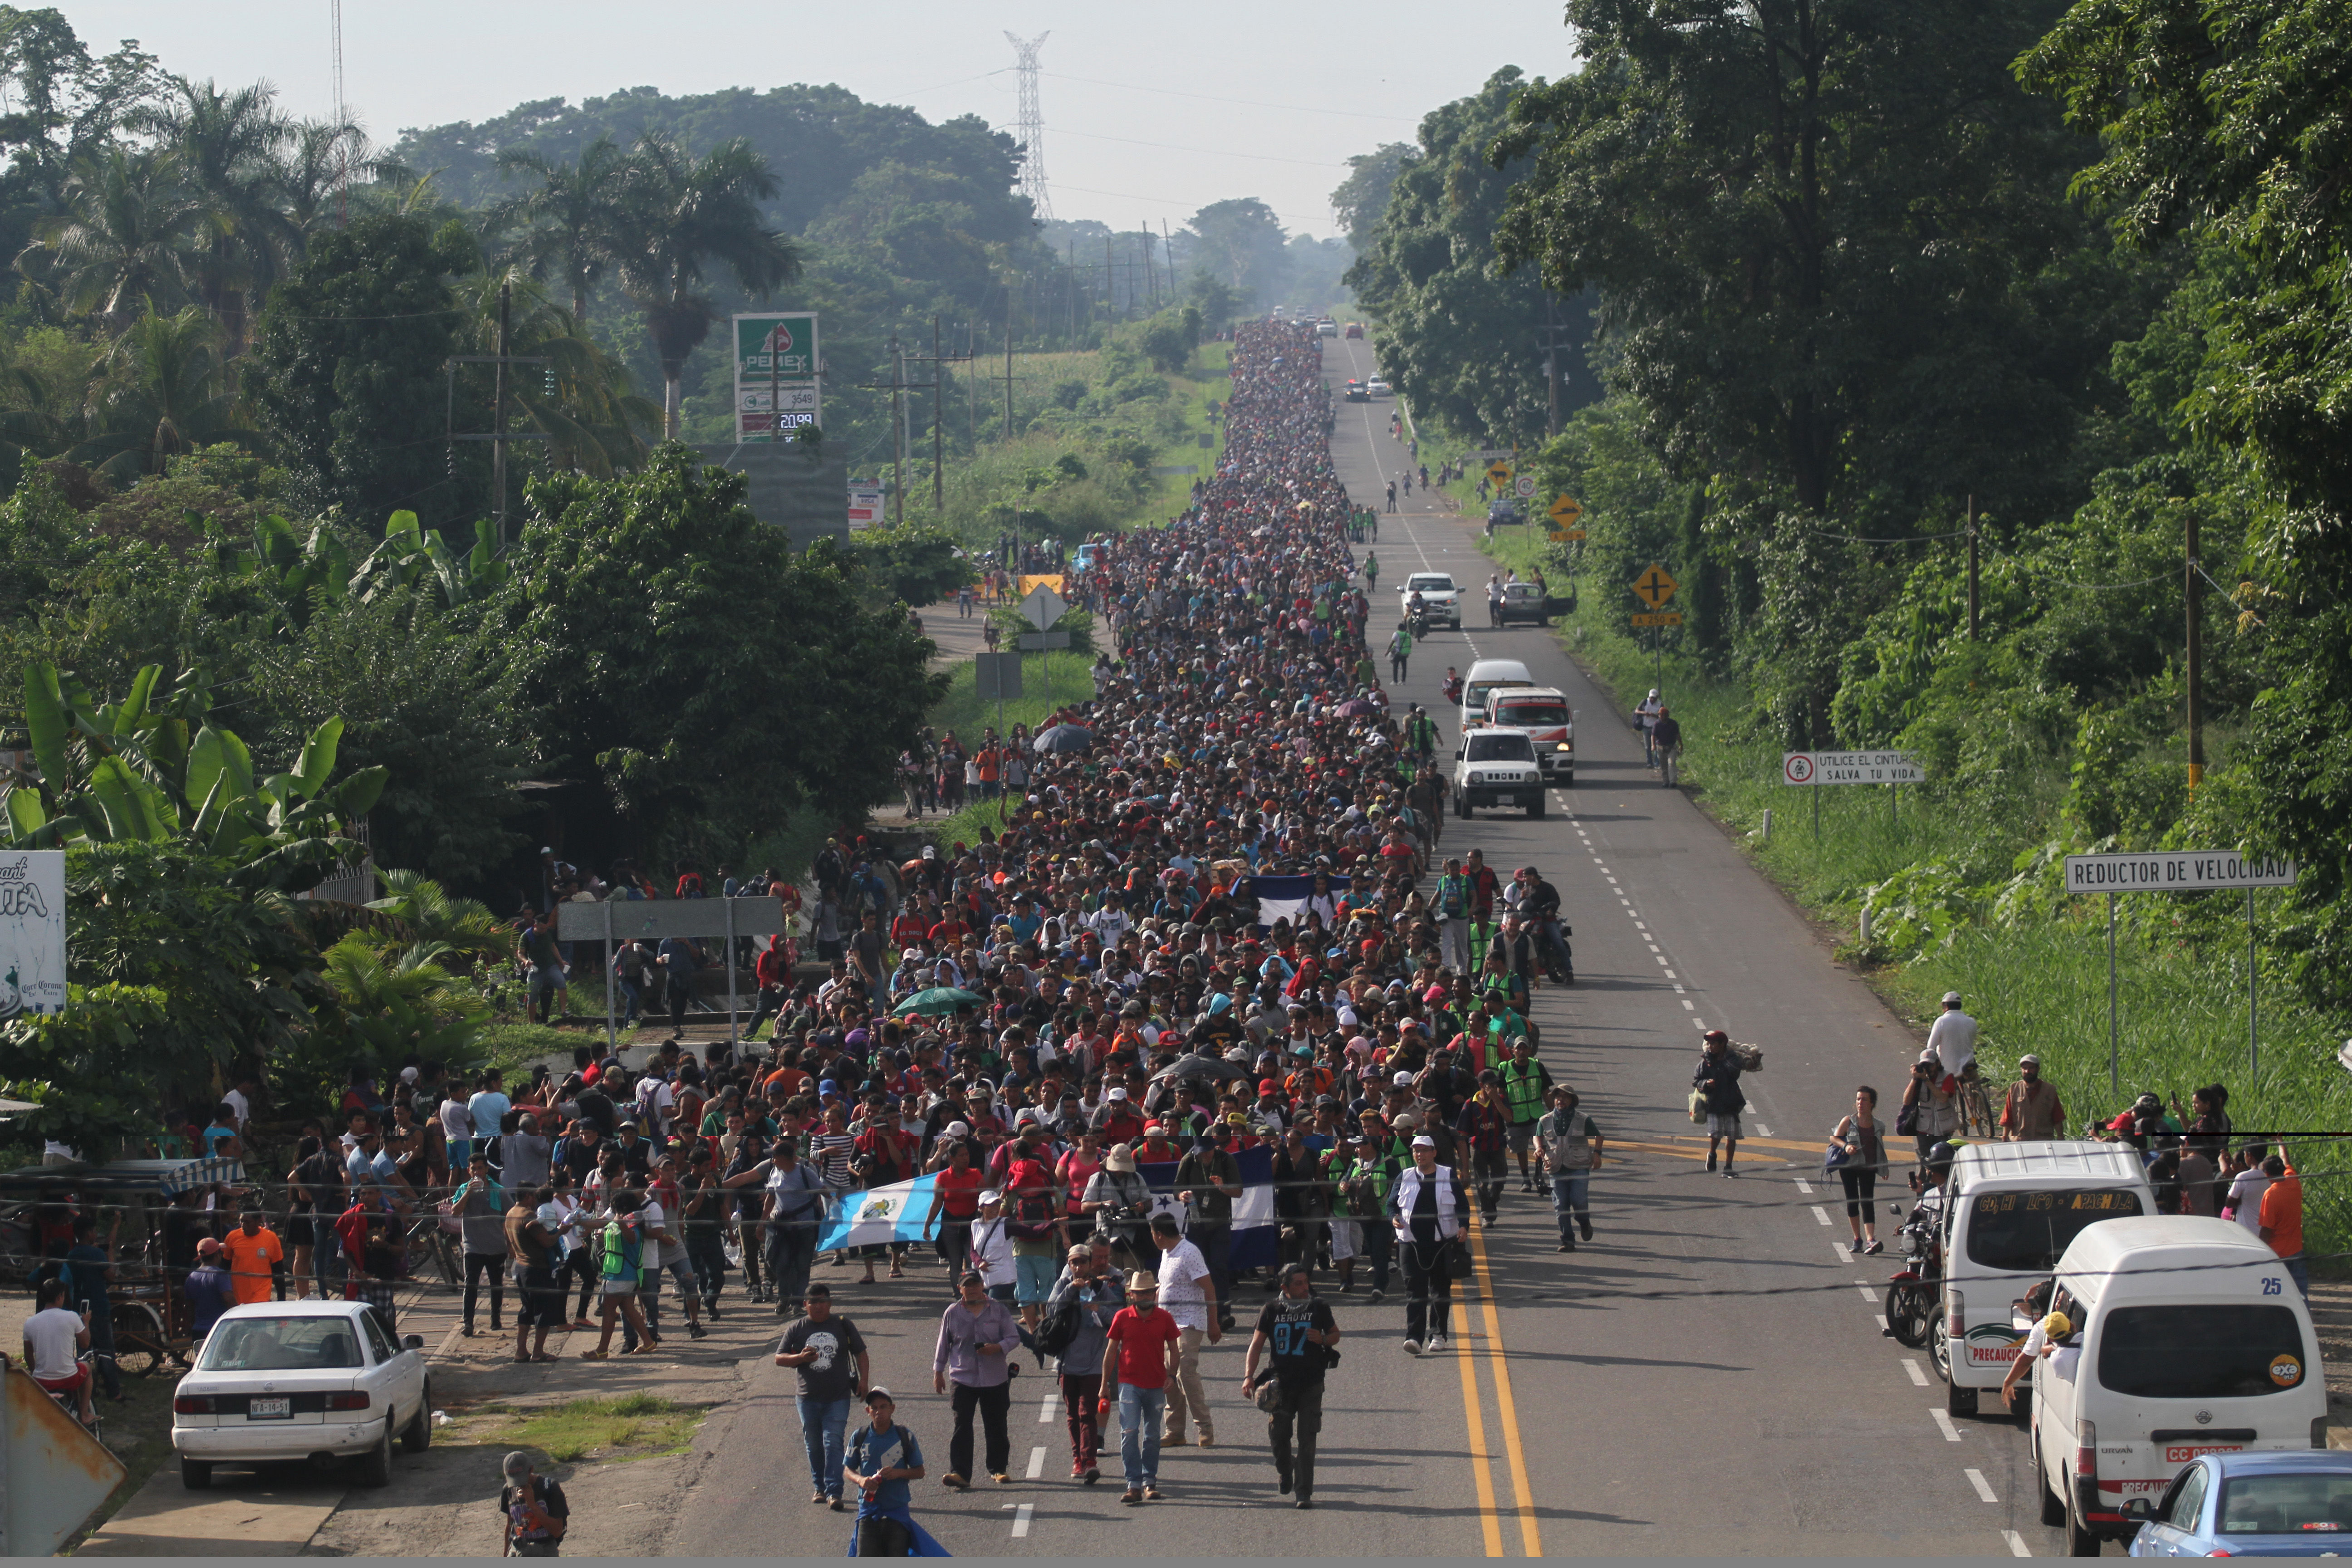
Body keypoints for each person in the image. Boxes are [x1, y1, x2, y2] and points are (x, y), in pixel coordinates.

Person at [1242, 1261, 1341, 1509]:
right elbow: (1256, 1344)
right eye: (1298, 1284)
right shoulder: (1271, 1309)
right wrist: (1248, 1376)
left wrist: (1324, 1339)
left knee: (1308, 1437)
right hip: (1281, 1385)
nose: (1305, 1287)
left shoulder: (1319, 1307)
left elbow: (1335, 1335)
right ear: (1285, 1288)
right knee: (1279, 1435)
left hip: (1311, 1383)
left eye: (1306, 1282)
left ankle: (1303, 1492)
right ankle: (1285, 1470)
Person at [776, 1283, 872, 1508]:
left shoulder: (843, 1325)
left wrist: (864, 1381)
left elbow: (861, 1353)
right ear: (805, 1304)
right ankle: (819, 1488)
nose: (818, 1306)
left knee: (833, 1443)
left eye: (823, 1301)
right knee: (814, 1445)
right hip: (807, 1399)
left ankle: (834, 1492)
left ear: (830, 1304)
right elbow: (779, 1358)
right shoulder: (797, 1328)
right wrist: (800, 1358)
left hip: (838, 1397)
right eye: (813, 1302)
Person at [932, 1269, 1022, 1488]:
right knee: (962, 1424)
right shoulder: (952, 1312)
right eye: (967, 1285)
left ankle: (998, 1469)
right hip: (963, 1378)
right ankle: (960, 1473)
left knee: (996, 1425)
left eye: (975, 1284)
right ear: (960, 1289)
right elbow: (944, 1343)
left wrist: (997, 1348)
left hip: (995, 1378)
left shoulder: (998, 1309)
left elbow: (1013, 1337)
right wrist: (938, 1372)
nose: (971, 1288)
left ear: (983, 1285)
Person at [1043, 1241, 1123, 1482]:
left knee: (1087, 1412)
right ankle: (1077, 1459)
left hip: (1094, 1362)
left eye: (1082, 1262)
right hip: (1068, 1362)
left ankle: (1090, 1462)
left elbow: (1117, 1318)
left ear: (1089, 1264)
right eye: (1073, 1263)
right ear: (1069, 1265)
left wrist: (1100, 1309)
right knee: (1072, 1415)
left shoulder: (1101, 1288)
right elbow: (1051, 1311)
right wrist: (1071, 1290)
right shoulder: (1063, 1285)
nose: (1078, 1267)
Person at [1101, 1270, 1181, 1504]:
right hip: (1129, 1384)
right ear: (1132, 1295)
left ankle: (1150, 1482)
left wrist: (1172, 1376)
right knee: (1129, 1433)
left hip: (1156, 1385)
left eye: (1149, 1292)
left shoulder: (1165, 1318)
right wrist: (1104, 1384)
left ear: (1155, 1294)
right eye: (1140, 1293)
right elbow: (1110, 1352)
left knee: (1153, 1436)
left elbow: (1174, 1350)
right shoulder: (1122, 1317)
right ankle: (1133, 1484)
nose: (1145, 1296)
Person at [1389, 1133, 1468, 1355]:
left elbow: (1462, 1205)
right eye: (1416, 1151)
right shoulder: (1404, 1176)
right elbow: (1391, 1204)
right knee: (1414, 1291)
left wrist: (1464, 1226)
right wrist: (1393, 1217)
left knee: (1440, 1290)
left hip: (1442, 1243)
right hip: (1411, 1243)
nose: (1420, 1155)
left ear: (1434, 1152)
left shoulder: (1447, 1175)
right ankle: (1414, 1338)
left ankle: (1438, 1335)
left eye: (1424, 1150)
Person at [842, 1387, 941, 1557]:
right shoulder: (859, 1436)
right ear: (868, 1411)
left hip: (897, 1513)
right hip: (868, 1512)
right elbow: (848, 1470)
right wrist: (861, 1480)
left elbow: (920, 1472)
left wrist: (898, 1473)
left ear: (892, 1409)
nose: (879, 1411)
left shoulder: (904, 1436)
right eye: (874, 1408)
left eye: (883, 1407)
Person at [1148, 1212, 1219, 1448]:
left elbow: (1209, 1288)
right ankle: (1175, 1431)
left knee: (1185, 1373)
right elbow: (1164, 1286)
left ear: (1159, 1234)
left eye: (1153, 1234)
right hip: (1167, 1323)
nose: (1153, 1239)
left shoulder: (1189, 1253)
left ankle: (1205, 1427)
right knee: (1168, 1375)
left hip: (1190, 1322)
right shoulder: (1166, 1253)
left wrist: (1213, 1323)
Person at [1536, 1085, 1602, 1251]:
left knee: (1578, 1200)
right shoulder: (1545, 1120)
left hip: (1579, 1167)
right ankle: (1568, 1241)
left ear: (1572, 1101)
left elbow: (1599, 1136)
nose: (1561, 1100)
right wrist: (1539, 1148)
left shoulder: (1583, 1119)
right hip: (1556, 1168)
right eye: (1558, 1097)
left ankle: (1584, 1222)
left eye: (1565, 1097)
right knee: (1561, 1206)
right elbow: (1537, 1137)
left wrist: (1597, 1154)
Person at [21, 1277, 94, 1427]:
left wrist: (36, 1373)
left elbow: (28, 1356)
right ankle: (85, 1415)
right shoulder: (72, 1317)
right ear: (60, 1297)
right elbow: (85, 1343)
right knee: (87, 1368)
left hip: (42, 1380)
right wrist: (86, 1322)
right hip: (69, 1378)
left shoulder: (30, 1323)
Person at [451, 1153, 508, 1338]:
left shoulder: (498, 1191)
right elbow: (455, 1212)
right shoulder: (463, 1189)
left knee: (496, 1284)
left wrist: (511, 1244)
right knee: (471, 1284)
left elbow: (511, 1215)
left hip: (496, 1246)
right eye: (473, 1169)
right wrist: (468, 1193)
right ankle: (468, 1322)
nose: (477, 1172)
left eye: (480, 1168)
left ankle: (496, 1318)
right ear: (469, 1171)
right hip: (472, 1246)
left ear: (487, 1169)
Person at [1828, 1085, 1890, 1254]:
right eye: (1858, 1099)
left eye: (1864, 1100)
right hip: (1849, 1167)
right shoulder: (1848, 1121)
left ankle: (1870, 1239)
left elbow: (1879, 1149)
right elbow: (1834, 1138)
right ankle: (1857, 1239)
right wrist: (1846, 1146)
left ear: (1872, 1103)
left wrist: (1883, 1169)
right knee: (1853, 1201)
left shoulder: (1879, 1126)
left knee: (1867, 1201)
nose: (1860, 1103)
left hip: (1868, 1168)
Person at [1693, 1029, 1746, 1175]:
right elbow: (1697, 1081)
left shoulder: (1732, 1060)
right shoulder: (1705, 1062)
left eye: (1713, 1044)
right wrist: (1706, 1083)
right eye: (1709, 1044)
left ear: (1722, 1045)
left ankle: (1729, 1166)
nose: (1710, 1047)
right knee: (1716, 1134)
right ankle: (1712, 1153)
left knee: (1732, 1136)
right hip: (1713, 1103)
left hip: (1731, 1102)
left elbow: (1734, 1073)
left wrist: (1722, 1063)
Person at [499, 1450, 569, 1557]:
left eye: (521, 1478)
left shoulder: (549, 1488)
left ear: (531, 1469)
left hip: (545, 1549)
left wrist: (533, 1505)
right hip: (518, 1547)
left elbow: (557, 1532)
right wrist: (505, 1553)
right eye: (513, 1480)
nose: (517, 1484)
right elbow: (510, 1525)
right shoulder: (508, 1489)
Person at [2258, 1154, 2306, 1295]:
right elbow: (2286, 1160)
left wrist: (2260, 1251)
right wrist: (2281, 1144)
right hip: (2296, 1250)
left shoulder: (2271, 1194)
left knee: (2277, 1294)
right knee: (2301, 1294)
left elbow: (2267, 1229)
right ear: (2284, 1170)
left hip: (2277, 1255)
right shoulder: (2294, 1182)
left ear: (2267, 1174)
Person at [219, 1206, 284, 1307]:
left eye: (248, 1222)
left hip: (261, 1299)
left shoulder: (271, 1239)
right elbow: (225, 1267)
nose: (243, 1225)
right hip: (238, 1300)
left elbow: (278, 1271)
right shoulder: (232, 1237)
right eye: (241, 1221)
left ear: (259, 1222)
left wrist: (282, 1301)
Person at [1999, 1054, 2066, 1141]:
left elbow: (2057, 1117)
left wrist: (2060, 1136)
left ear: (2038, 1069)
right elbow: (2008, 1116)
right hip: (2019, 1140)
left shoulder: (2049, 1090)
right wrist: (2005, 1136)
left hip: (2043, 1140)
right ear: (2021, 1070)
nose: (2027, 1071)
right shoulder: (2014, 1088)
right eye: (2025, 1068)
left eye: (2031, 1068)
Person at [184, 1235, 235, 1343]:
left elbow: (190, 1307)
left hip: (198, 1331)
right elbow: (229, 1300)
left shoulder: (191, 1277)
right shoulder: (220, 1275)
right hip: (219, 1330)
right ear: (217, 1255)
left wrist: (193, 1325)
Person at [1925, 991, 1978, 1086]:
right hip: (1968, 1065)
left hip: (1948, 1069)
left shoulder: (1941, 1021)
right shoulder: (1971, 1021)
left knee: (1935, 1087)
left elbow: (1931, 1047)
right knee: (1975, 1081)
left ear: (1946, 1006)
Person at [1635, 689, 1663, 764]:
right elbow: (1637, 711)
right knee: (1648, 746)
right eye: (1651, 698)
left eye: (1654, 698)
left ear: (1657, 698)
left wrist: (1654, 716)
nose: (1653, 700)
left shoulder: (1660, 705)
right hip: (1646, 727)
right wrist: (1645, 713)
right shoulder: (1645, 702)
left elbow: (1663, 717)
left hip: (1656, 728)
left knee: (1657, 746)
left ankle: (1657, 762)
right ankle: (1649, 762)